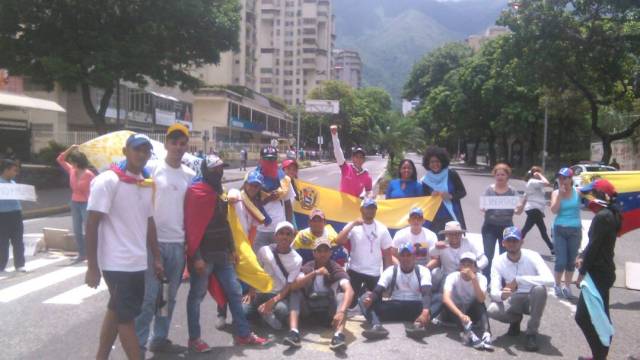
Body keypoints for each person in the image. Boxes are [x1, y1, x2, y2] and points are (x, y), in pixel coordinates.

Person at [84, 134, 164, 360]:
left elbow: (149, 222)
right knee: (126, 318)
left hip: (137, 261)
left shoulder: (145, 183)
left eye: (146, 151)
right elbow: (91, 223)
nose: (142, 154)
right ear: (125, 151)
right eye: (137, 149)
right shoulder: (108, 180)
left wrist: (156, 257)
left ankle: (101, 357)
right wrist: (92, 267)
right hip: (116, 263)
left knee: (117, 310)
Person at [184, 154, 269, 353]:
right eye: (215, 169)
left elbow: (226, 224)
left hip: (223, 255)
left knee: (235, 292)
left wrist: (232, 249)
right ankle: (194, 339)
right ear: (206, 171)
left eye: (221, 169)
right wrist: (195, 257)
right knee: (196, 296)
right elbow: (190, 228)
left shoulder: (219, 193)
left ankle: (243, 334)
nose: (219, 172)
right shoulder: (195, 192)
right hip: (203, 257)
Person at [135, 124, 195, 354]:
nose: (178, 148)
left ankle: (159, 337)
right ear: (166, 143)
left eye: (182, 144)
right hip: (153, 243)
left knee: (169, 297)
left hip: (178, 245)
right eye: (174, 143)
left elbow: (193, 212)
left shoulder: (189, 176)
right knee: (149, 297)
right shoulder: (150, 169)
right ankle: (138, 344)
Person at [575, 179, 622, 360]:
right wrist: (582, 256)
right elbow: (596, 244)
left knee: (583, 317)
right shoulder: (610, 213)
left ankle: (599, 356)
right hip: (603, 272)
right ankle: (599, 355)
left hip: (598, 274)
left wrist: (581, 273)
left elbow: (594, 247)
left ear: (601, 195)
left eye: (591, 193)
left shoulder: (603, 216)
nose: (588, 197)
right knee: (600, 315)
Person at [487, 226, 554, 352]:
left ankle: (531, 333)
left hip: (532, 298)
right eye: (509, 240)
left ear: (521, 242)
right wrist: (502, 295)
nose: (512, 243)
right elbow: (494, 290)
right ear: (503, 243)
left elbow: (550, 280)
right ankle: (516, 320)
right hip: (514, 298)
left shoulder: (532, 256)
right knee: (492, 310)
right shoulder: (498, 261)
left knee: (539, 289)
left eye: (515, 240)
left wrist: (519, 279)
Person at [289, 238, 355, 351]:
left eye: (326, 250)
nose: (322, 254)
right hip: (309, 310)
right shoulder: (308, 266)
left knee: (342, 296)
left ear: (330, 253)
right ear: (314, 253)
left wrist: (341, 312)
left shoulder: (335, 268)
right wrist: (315, 273)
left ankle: (338, 336)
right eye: (319, 251)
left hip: (329, 312)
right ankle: (294, 333)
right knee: (296, 292)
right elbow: (293, 286)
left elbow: (350, 290)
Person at [358, 243, 433, 340]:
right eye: (402, 255)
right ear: (399, 258)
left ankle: (418, 325)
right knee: (363, 298)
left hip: (416, 308)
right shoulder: (391, 270)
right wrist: (370, 299)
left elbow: (426, 292)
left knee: (438, 298)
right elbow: (378, 290)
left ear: (414, 257)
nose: (405, 258)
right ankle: (377, 326)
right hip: (394, 306)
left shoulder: (423, 270)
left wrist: (425, 311)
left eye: (408, 255)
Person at [243, 222, 302, 340]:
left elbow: (288, 286)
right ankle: (261, 315)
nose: (284, 237)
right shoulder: (264, 250)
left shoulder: (297, 259)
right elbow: (256, 271)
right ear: (275, 236)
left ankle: (263, 313)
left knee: (282, 310)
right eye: (281, 233)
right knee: (242, 311)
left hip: (277, 294)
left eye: (288, 234)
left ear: (292, 237)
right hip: (259, 292)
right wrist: (251, 290)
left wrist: (272, 302)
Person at [335, 198, 393, 303]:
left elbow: (388, 254)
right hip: (355, 270)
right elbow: (339, 240)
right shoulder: (353, 225)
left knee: (375, 305)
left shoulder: (382, 228)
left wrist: (386, 276)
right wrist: (353, 225)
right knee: (350, 303)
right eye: (368, 208)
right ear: (361, 209)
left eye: (373, 208)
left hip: (375, 272)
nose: (371, 211)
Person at [428, 221, 487, 318]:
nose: (454, 236)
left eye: (457, 233)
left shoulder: (468, 243)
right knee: (441, 293)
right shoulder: (442, 244)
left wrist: (475, 268)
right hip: (448, 275)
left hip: (466, 276)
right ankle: (433, 311)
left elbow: (484, 259)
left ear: (461, 234)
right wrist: (435, 246)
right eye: (451, 234)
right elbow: (431, 252)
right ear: (446, 235)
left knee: (476, 296)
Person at [441, 252, 493, 351]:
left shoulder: (481, 278)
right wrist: (461, 315)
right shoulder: (452, 276)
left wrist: (473, 279)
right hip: (456, 312)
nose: (466, 268)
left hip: (471, 311)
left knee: (479, 303)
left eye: (469, 265)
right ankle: (467, 332)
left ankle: (486, 334)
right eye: (463, 264)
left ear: (475, 268)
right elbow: (446, 298)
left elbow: (481, 299)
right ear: (459, 266)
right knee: (445, 302)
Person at [480, 163, 523, 280]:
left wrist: (521, 205)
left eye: (502, 174)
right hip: (489, 227)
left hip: (507, 229)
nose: (500, 177)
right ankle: (486, 278)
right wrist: (484, 207)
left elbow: (518, 210)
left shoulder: (512, 191)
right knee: (488, 254)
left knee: (505, 255)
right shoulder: (489, 190)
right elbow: (482, 207)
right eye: (498, 174)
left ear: (507, 176)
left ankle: (504, 279)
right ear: (494, 176)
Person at [57, 145, 95, 263]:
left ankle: (92, 254)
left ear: (77, 163)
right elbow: (60, 159)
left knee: (89, 229)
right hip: (75, 202)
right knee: (77, 230)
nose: (71, 163)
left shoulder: (89, 175)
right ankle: (82, 254)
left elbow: (94, 190)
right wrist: (71, 149)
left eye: (73, 162)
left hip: (87, 203)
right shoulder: (72, 171)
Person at [253, 145, 295, 252]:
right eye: (267, 159)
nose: (270, 162)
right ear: (261, 159)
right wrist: (269, 198)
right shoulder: (253, 178)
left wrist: (289, 228)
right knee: (259, 262)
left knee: (279, 262)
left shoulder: (284, 180)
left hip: (279, 229)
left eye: (273, 159)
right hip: (258, 229)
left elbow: (288, 205)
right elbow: (247, 201)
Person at [550, 167, 582, 299]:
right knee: (561, 260)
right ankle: (557, 284)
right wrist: (560, 196)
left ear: (570, 179)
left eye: (565, 178)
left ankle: (567, 286)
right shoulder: (556, 193)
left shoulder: (578, 192)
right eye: (560, 178)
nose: (562, 180)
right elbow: (554, 210)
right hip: (560, 229)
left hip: (575, 229)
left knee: (570, 261)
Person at [421, 146, 467, 234]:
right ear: (428, 163)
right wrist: (431, 197)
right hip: (435, 219)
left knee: (453, 244)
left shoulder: (452, 174)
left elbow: (462, 192)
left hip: (452, 217)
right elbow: (424, 200)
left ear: (442, 161)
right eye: (432, 162)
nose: (435, 164)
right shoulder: (425, 180)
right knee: (437, 245)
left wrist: (450, 196)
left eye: (437, 161)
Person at [330, 125, 372, 198]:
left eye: (361, 157)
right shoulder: (346, 168)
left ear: (364, 160)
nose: (359, 159)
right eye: (356, 157)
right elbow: (338, 152)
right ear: (353, 158)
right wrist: (334, 136)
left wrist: (367, 198)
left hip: (354, 207)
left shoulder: (367, 176)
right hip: (341, 205)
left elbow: (369, 192)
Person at [520, 166, 554, 255]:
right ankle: (552, 248)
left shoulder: (533, 183)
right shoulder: (533, 181)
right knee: (539, 229)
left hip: (534, 209)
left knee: (529, 229)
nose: (541, 175)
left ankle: (552, 248)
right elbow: (547, 183)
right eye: (539, 173)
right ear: (535, 174)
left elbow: (526, 195)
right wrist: (539, 174)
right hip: (533, 209)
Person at [0, 159, 25, 273]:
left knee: (18, 240)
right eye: (14, 170)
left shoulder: (14, 183)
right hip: (3, 214)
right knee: (3, 241)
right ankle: (1, 265)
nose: (16, 173)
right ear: (6, 170)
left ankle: (20, 265)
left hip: (16, 213)